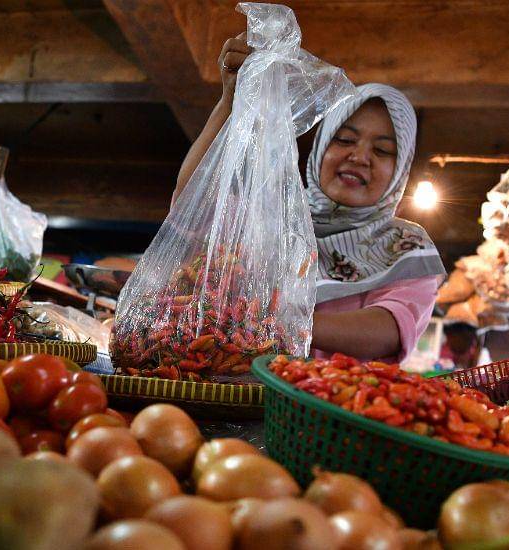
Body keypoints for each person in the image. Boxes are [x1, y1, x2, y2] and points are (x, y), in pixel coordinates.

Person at [173, 34, 446, 362]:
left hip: (331, 395)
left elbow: (389, 331)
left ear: (400, 171)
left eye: (382, 150)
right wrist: (230, 102)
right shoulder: (269, 218)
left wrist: (276, 323)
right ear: (320, 149)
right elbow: (192, 204)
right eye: (344, 140)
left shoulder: (407, 247)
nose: (360, 157)